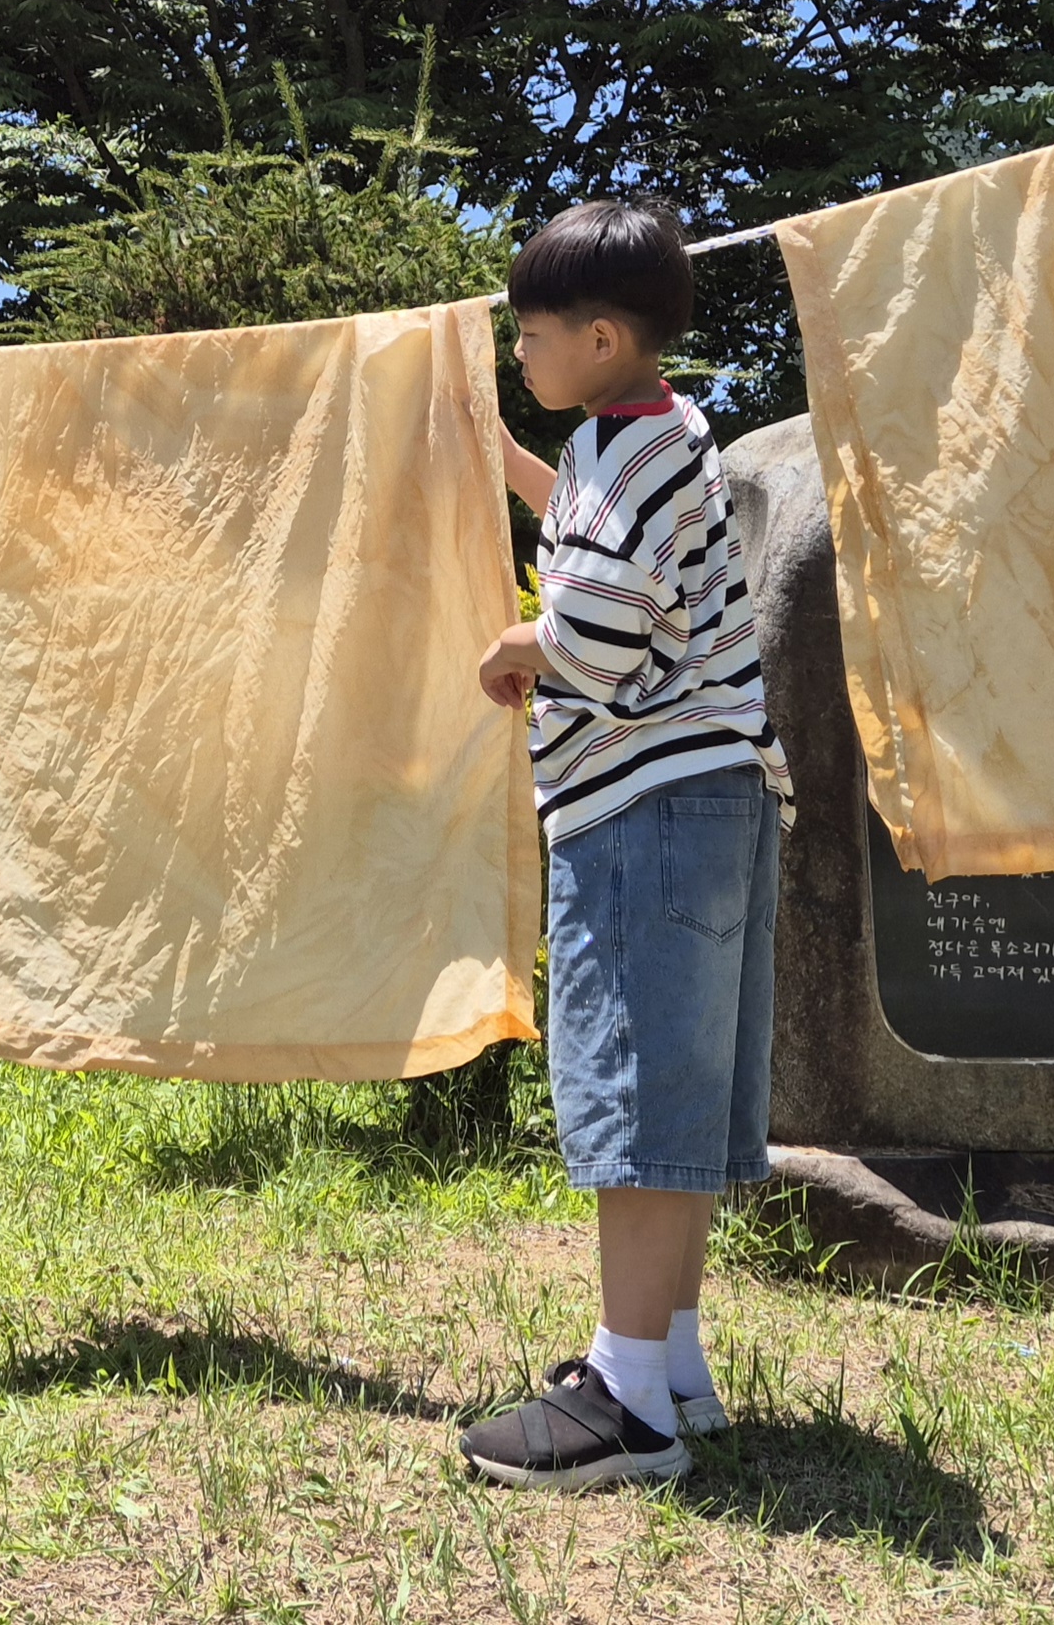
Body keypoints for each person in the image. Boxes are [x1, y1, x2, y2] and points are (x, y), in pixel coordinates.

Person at [457, 199, 790, 1489]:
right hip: (711, 795)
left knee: (635, 1094)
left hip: (643, 805)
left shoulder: (629, 455)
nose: (519, 355)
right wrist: (505, 462)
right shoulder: (643, 435)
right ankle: (675, 1366)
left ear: (598, 336)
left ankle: (627, 1404)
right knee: (680, 1096)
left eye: (530, 335)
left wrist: (511, 647)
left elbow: (595, 637)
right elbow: (601, 542)